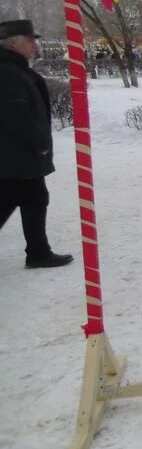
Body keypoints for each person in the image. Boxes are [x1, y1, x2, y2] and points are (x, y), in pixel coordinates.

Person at [0, 19, 74, 269]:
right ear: (13, 42)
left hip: (17, 155)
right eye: (30, 39)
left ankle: (38, 251)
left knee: (32, 198)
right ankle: (38, 252)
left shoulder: (15, 67)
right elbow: (14, 113)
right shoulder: (7, 71)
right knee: (22, 198)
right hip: (15, 153)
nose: (34, 44)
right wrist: (37, 141)